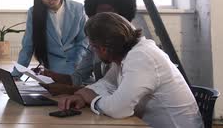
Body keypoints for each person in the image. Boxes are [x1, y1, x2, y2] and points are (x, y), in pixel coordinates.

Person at [58, 12, 203, 128]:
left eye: (92, 46)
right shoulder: (129, 54)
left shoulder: (141, 57)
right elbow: (108, 83)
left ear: (102, 49)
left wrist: (92, 99)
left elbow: (119, 109)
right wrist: (82, 95)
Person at [41, 0, 137, 95]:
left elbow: (118, 93)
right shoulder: (96, 44)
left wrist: (69, 91)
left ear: (122, 15)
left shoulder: (134, 51)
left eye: (109, 14)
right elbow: (79, 77)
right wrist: (55, 76)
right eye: (100, 15)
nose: (104, 20)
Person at [13, 0, 88, 77]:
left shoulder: (78, 9)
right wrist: (16, 74)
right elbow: (27, 46)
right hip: (53, 69)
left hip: (77, 64)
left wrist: (78, 63)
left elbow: (83, 41)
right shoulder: (34, 12)